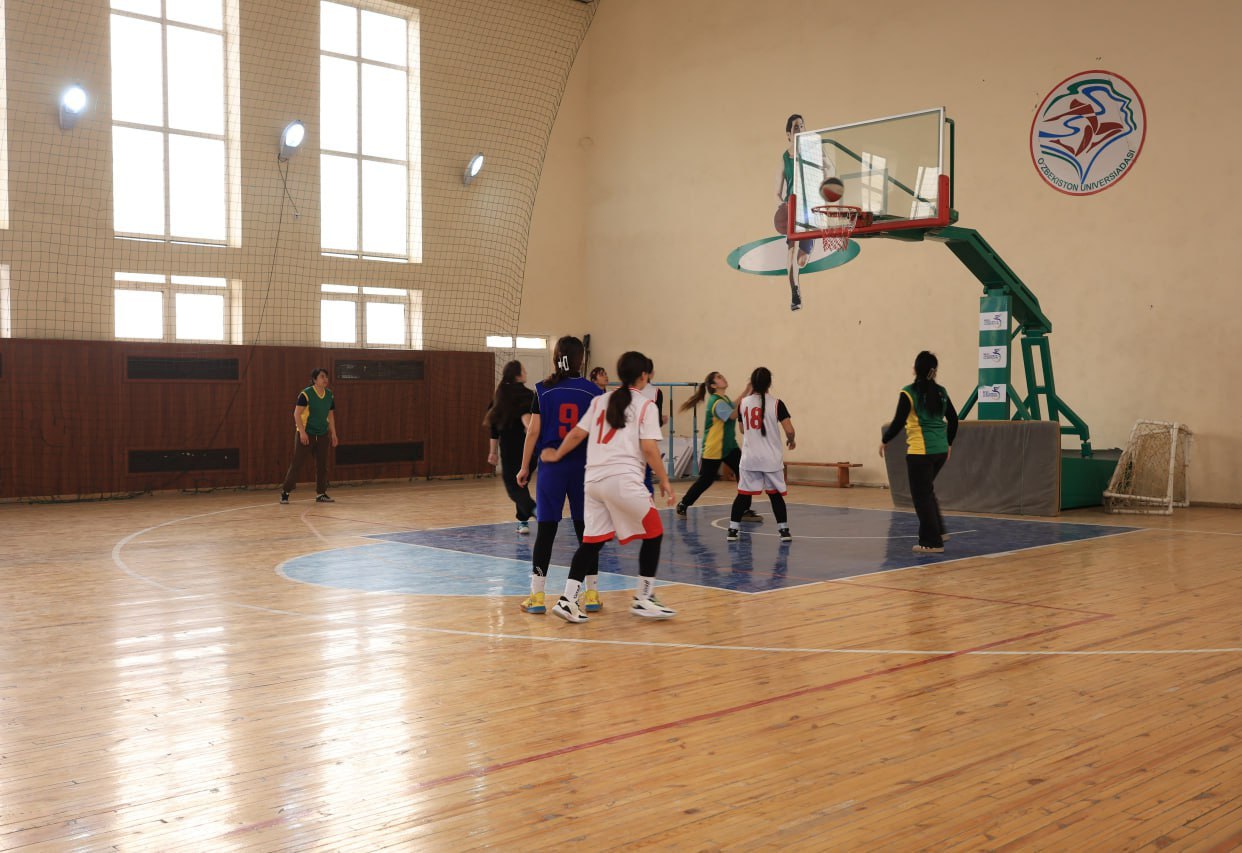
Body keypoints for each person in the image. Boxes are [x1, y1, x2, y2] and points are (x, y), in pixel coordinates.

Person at [540, 350, 676, 622]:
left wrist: (557, 454)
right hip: (622, 480)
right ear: (644, 376)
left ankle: (567, 600)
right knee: (654, 532)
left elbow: (577, 434)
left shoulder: (600, 401)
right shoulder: (646, 406)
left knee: (592, 542)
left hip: (593, 482)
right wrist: (664, 479)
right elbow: (649, 449)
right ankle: (644, 598)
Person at [516, 336, 604, 614]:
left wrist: (525, 466)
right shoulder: (594, 392)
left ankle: (537, 597)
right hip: (584, 468)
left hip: (552, 468)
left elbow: (533, 432)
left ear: (556, 358)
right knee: (587, 531)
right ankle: (591, 594)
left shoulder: (542, 390)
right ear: (581, 360)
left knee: (546, 531)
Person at [879, 350, 958, 553]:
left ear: (914, 369)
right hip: (940, 451)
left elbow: (898, 421)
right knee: (926, 491)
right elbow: (954, 419)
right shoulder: (941, 392)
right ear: (934, 371)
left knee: (921, 496)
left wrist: (885, 440)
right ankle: (939, 531)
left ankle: (931, 542)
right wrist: (949, 443)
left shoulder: (909, 392)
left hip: (921, 452)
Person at [675, 371, 762, 521]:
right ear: (714, 385)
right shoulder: (716, 402)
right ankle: (683, 504)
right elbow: (732, 415)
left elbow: (733, 405)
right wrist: (748, 400)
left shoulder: (723, 399)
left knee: (745, 473)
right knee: (706, 480)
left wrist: (747, 390)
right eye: (719, 377)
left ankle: (744, 509)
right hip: (714, 448)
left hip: (729, 446)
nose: (723, 377)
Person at [727, 367, 796, 543]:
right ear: (769, 383)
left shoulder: (743, 403)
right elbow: (789, 430)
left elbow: (742, 429)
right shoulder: (777, 404)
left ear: (752, 383)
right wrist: (791, 440)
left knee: (743, 495)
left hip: (750, 458)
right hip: (770, 459)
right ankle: (784, 531)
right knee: (775, 495)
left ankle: (732, 530)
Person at [485, 360, 536, 534]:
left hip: (510, 450)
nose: (526, 373)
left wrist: (493, 452)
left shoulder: (500, 396)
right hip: (530, 450)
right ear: (518, 375)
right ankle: (523, 521)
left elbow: (494, 429)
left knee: (515, 487)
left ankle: (535, 511)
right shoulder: (527, 395)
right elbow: (528, 422)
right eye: (524, 370)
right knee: (521, 484)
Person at [280, 368, 339, 504]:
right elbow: (296, 414)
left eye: (326, 377)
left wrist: (334, 433)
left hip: (322, 434)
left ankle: (321, 493)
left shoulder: (329, 395)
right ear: (314, 379)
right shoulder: (306, 394)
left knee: (322, 465)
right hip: (307, 434)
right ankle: (285, 493)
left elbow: (330, 415)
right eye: (322, 376)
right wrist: (302, 432)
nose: (325, 379)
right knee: (297, 464)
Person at [778, 113, 818, 312]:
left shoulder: (811, 152)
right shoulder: (785, 158)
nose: (800, 129)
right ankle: (795, 292)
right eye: (795, 127)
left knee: (802, 260)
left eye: (802, 126)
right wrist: (782, 205)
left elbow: (826, 170)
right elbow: (777, 191)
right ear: (788, 134)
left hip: (808, 208)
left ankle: (797, 273)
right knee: (791, 250)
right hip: (793, 205)